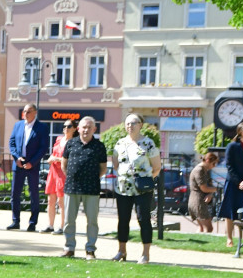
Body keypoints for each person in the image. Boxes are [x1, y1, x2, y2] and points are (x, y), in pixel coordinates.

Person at [112, 113, 162, 264]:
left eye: (133, 123)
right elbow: (116, 165)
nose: (130, 126)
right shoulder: (120, 143)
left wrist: (144, 180)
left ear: (140, 125)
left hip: (142, 190)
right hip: (122, 189)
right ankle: (122, 251)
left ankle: (145, 254)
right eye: (127, 123)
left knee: (143, 219)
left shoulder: (148, 144)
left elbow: (156, 167)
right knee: (123, 220)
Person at [60, 116, 106, 260]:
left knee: (92, 221)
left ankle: (90, 250)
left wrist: (91, 177)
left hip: (91, 188)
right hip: (71, 187)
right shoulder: (71, 143)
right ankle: (69, 248)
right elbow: (64, 164)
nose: (86, 130)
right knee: (69, 220)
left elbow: (103, 168)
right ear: (78, 128)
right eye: (83, 127)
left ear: (94, 129)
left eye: (89, 127)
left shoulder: (99, 146)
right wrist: (73, 177)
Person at [7, 104, 49, 231]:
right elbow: (12, 142)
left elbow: (43, 147)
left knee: (33, 194)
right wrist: (16, 157)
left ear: (35, 112)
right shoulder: (18, 125)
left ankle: (32, 222)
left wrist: (33, 162)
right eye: (24, 111)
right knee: (15, 193)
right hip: (19, 163)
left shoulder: (42, 127)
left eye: (29, 111)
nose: (26, 114)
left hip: (33, 165)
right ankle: (15, 221)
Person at [217, 121, 243, 247]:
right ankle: (229, 238)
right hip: (233, 183)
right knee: (230, 211)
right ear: (242, 131)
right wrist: (239, 181)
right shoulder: (232, 146)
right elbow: (229, 166)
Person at [42, 120, 75, 234]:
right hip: (53, 171)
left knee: (61, 201)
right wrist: (51, 158)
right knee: (50, 200)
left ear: (74, 128)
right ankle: (50, 225)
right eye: (64, 126)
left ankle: (62, 226)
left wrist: (56, 159)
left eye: (69, 126)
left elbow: (71, 159)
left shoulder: (74, 142)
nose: (66, 128)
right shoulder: (59, 139)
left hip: (63, 172)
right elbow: (54, 152)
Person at [188, 151, 219, 233]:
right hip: (198, 201)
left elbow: (209, 187)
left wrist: (210, 193)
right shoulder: (199, 170)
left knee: (201, 228)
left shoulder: (205, 170)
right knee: (208, 228)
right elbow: (204, 188)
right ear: (208, 160)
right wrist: (217, 189)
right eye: (213, 163)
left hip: (197, 201)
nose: (214, 166)